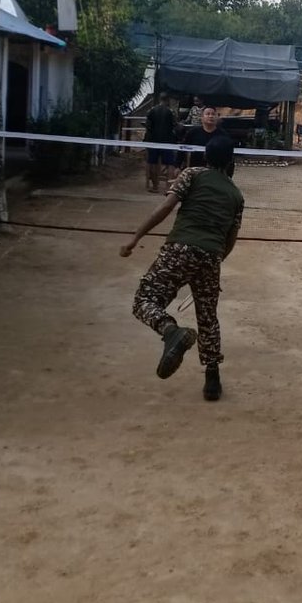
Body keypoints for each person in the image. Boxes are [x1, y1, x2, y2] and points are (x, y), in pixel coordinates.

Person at [120, 135, 244, 402]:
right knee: (208, 318)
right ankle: (212, 380)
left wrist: (136, 237)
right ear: (231, 161)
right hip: (211, 256)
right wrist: (215, 264)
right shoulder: (236, 195)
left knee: (144, 300)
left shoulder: (192, 174)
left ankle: (170, 330)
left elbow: (166, 207)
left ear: (206, 156)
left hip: (180, 249)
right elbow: (230, 238)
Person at [183, 107, 234, 177]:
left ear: (217, 117)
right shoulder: (192, 133)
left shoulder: (224, 135)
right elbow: (182, 149)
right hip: (195, 171)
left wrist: (228, 174)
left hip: (216, 173)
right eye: (207, 114)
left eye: (213, 114)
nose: (211, 116)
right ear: (202, 117)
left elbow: (230, 156)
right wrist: (177, 165)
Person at [144, 94, 178, 193]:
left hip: (153, 141)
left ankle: (155, 186)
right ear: (168, 100)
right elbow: (175, 125)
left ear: (160, 99)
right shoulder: (171, 112)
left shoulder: (151, 110)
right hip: (167, 141)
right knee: (170, 164)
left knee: (153, 163)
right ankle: (168, 187)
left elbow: (147, 125)